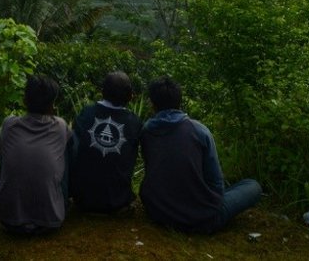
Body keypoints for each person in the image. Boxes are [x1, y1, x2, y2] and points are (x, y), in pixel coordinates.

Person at [140, 77, 261, 234]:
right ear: (179, 102)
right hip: (202, 220)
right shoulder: (199, 130)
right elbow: (216, 182)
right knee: (252, 186)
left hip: (158, 212)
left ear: (152, 104)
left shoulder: (146, 131)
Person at [0, 75, 73, 235]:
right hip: (50, 221)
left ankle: (6, 202)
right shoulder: (61, 126)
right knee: (64, 156)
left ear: (24, 100)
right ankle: (58, 202)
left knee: (5, 154)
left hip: (8, 221)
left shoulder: (9, 124)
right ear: (52, 106)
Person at [69, 71, 142, 213]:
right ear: (130, 95)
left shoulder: (86, 113)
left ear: (102, 92)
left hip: (83, 199)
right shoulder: (134, 122)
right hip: (118, 200)